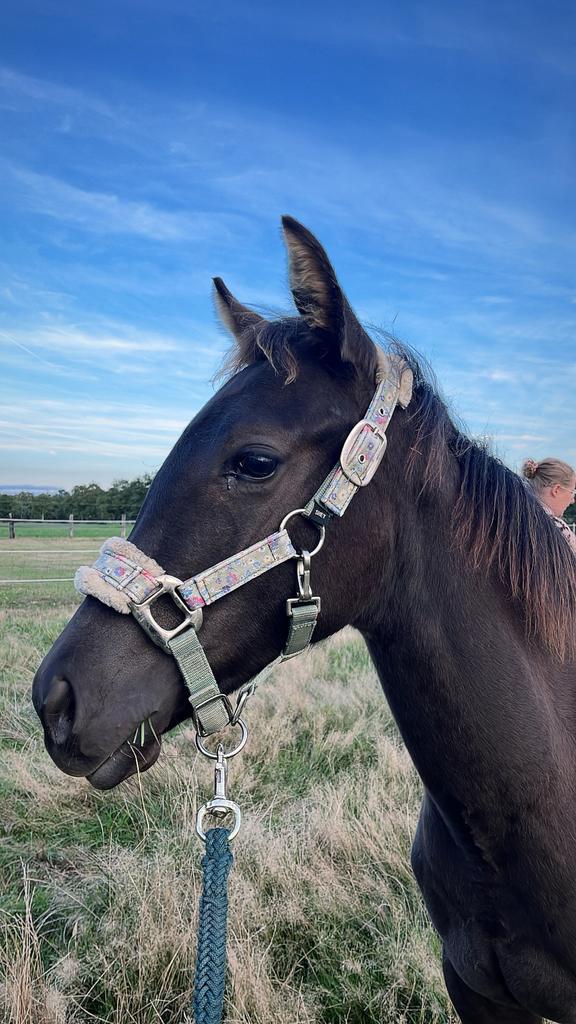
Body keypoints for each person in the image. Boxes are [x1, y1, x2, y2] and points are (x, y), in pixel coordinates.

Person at [522, 457, 576, 555]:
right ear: (556, 490)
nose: (572, 500)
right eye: (572, 492)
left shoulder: (513, 517)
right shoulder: (557, 528)